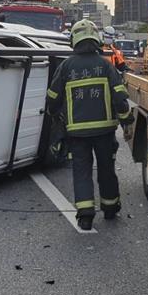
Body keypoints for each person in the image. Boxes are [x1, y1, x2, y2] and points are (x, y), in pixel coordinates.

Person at [46, 19, 133, 230]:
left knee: (81, 171)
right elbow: (120, 99)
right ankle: (110, 207)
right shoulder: (105, 65)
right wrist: (126, 120)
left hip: (77, 134)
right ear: (97, 39)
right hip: (105, 131)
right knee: (106, 169)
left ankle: (85, 215)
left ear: (74, 40)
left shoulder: (67, 67)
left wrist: (54, 115)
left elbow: (52, 97)